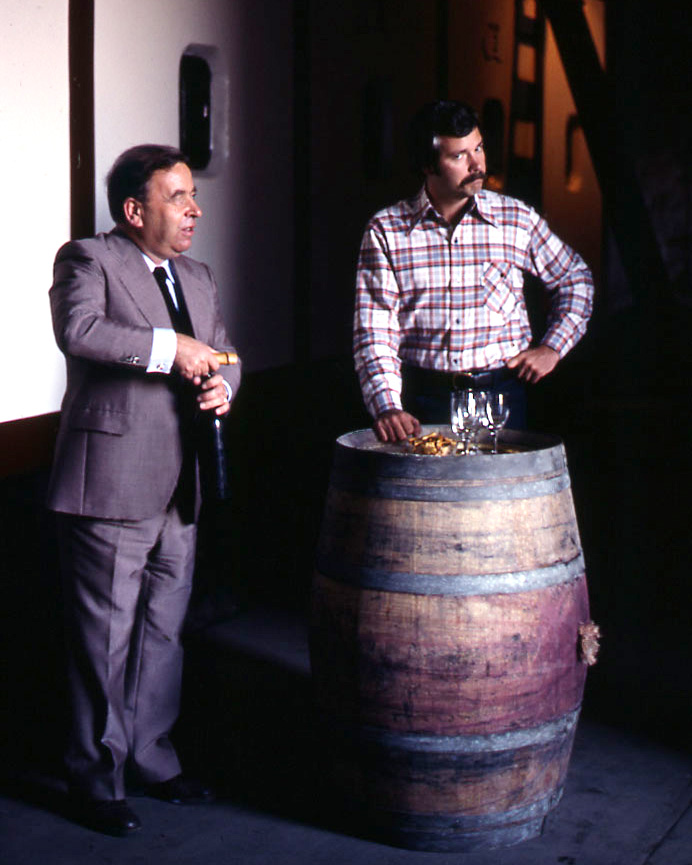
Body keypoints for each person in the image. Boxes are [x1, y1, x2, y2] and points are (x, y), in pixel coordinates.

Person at [47, 144, 242, 836]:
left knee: (164, 630)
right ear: (135, 210)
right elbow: (79, 330)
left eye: (194, 195)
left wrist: (224, 381)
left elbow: (223, 349)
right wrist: (172, 348)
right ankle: (95, 777)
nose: (195, 209)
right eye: (179, 196)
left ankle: (152, 757)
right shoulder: (89, 259)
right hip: (110, 483)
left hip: (181, 483)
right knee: (104, 637)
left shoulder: (200, 275)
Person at [354, 100, 594, 442]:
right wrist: (387, 406)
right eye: (458, 156)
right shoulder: (386, 231)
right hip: (423, 401)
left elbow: (576, 278)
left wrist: (553, 347)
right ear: (427, 165)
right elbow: (373, 330)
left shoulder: (516, 219)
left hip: (502, 397)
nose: (477, 163)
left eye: (478, 148)